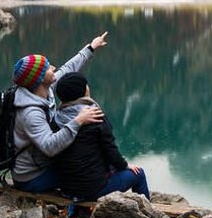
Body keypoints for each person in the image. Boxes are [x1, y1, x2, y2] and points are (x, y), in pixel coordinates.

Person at [10, 33, 108, 192]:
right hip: (32, 176)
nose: (53, 68)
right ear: (40, 78)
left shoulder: (43, 89)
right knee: (88, 172)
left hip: (42, 163)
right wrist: (78, 120)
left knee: (87, 162)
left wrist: (91, 47)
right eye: (48, 68)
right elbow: (50, 147)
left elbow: (68, 68)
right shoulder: (30, 113)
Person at [51, 71, 150, 200]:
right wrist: (125, 165)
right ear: (84, 90)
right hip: (93, 188)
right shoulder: (95, 117)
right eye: (86, 85)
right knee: (139, 173)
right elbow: (110, 150)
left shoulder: (57, 118)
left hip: (67, 188)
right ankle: (146, 210)